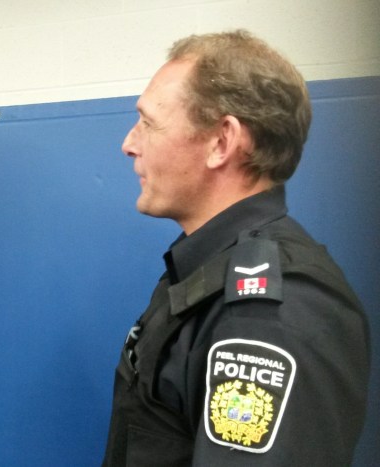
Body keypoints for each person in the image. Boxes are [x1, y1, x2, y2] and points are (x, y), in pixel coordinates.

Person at [102, 30, 370, 466]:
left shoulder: (271, 314)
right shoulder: (207, 270)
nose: (129, 143)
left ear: (222, 142)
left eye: (149, 123)